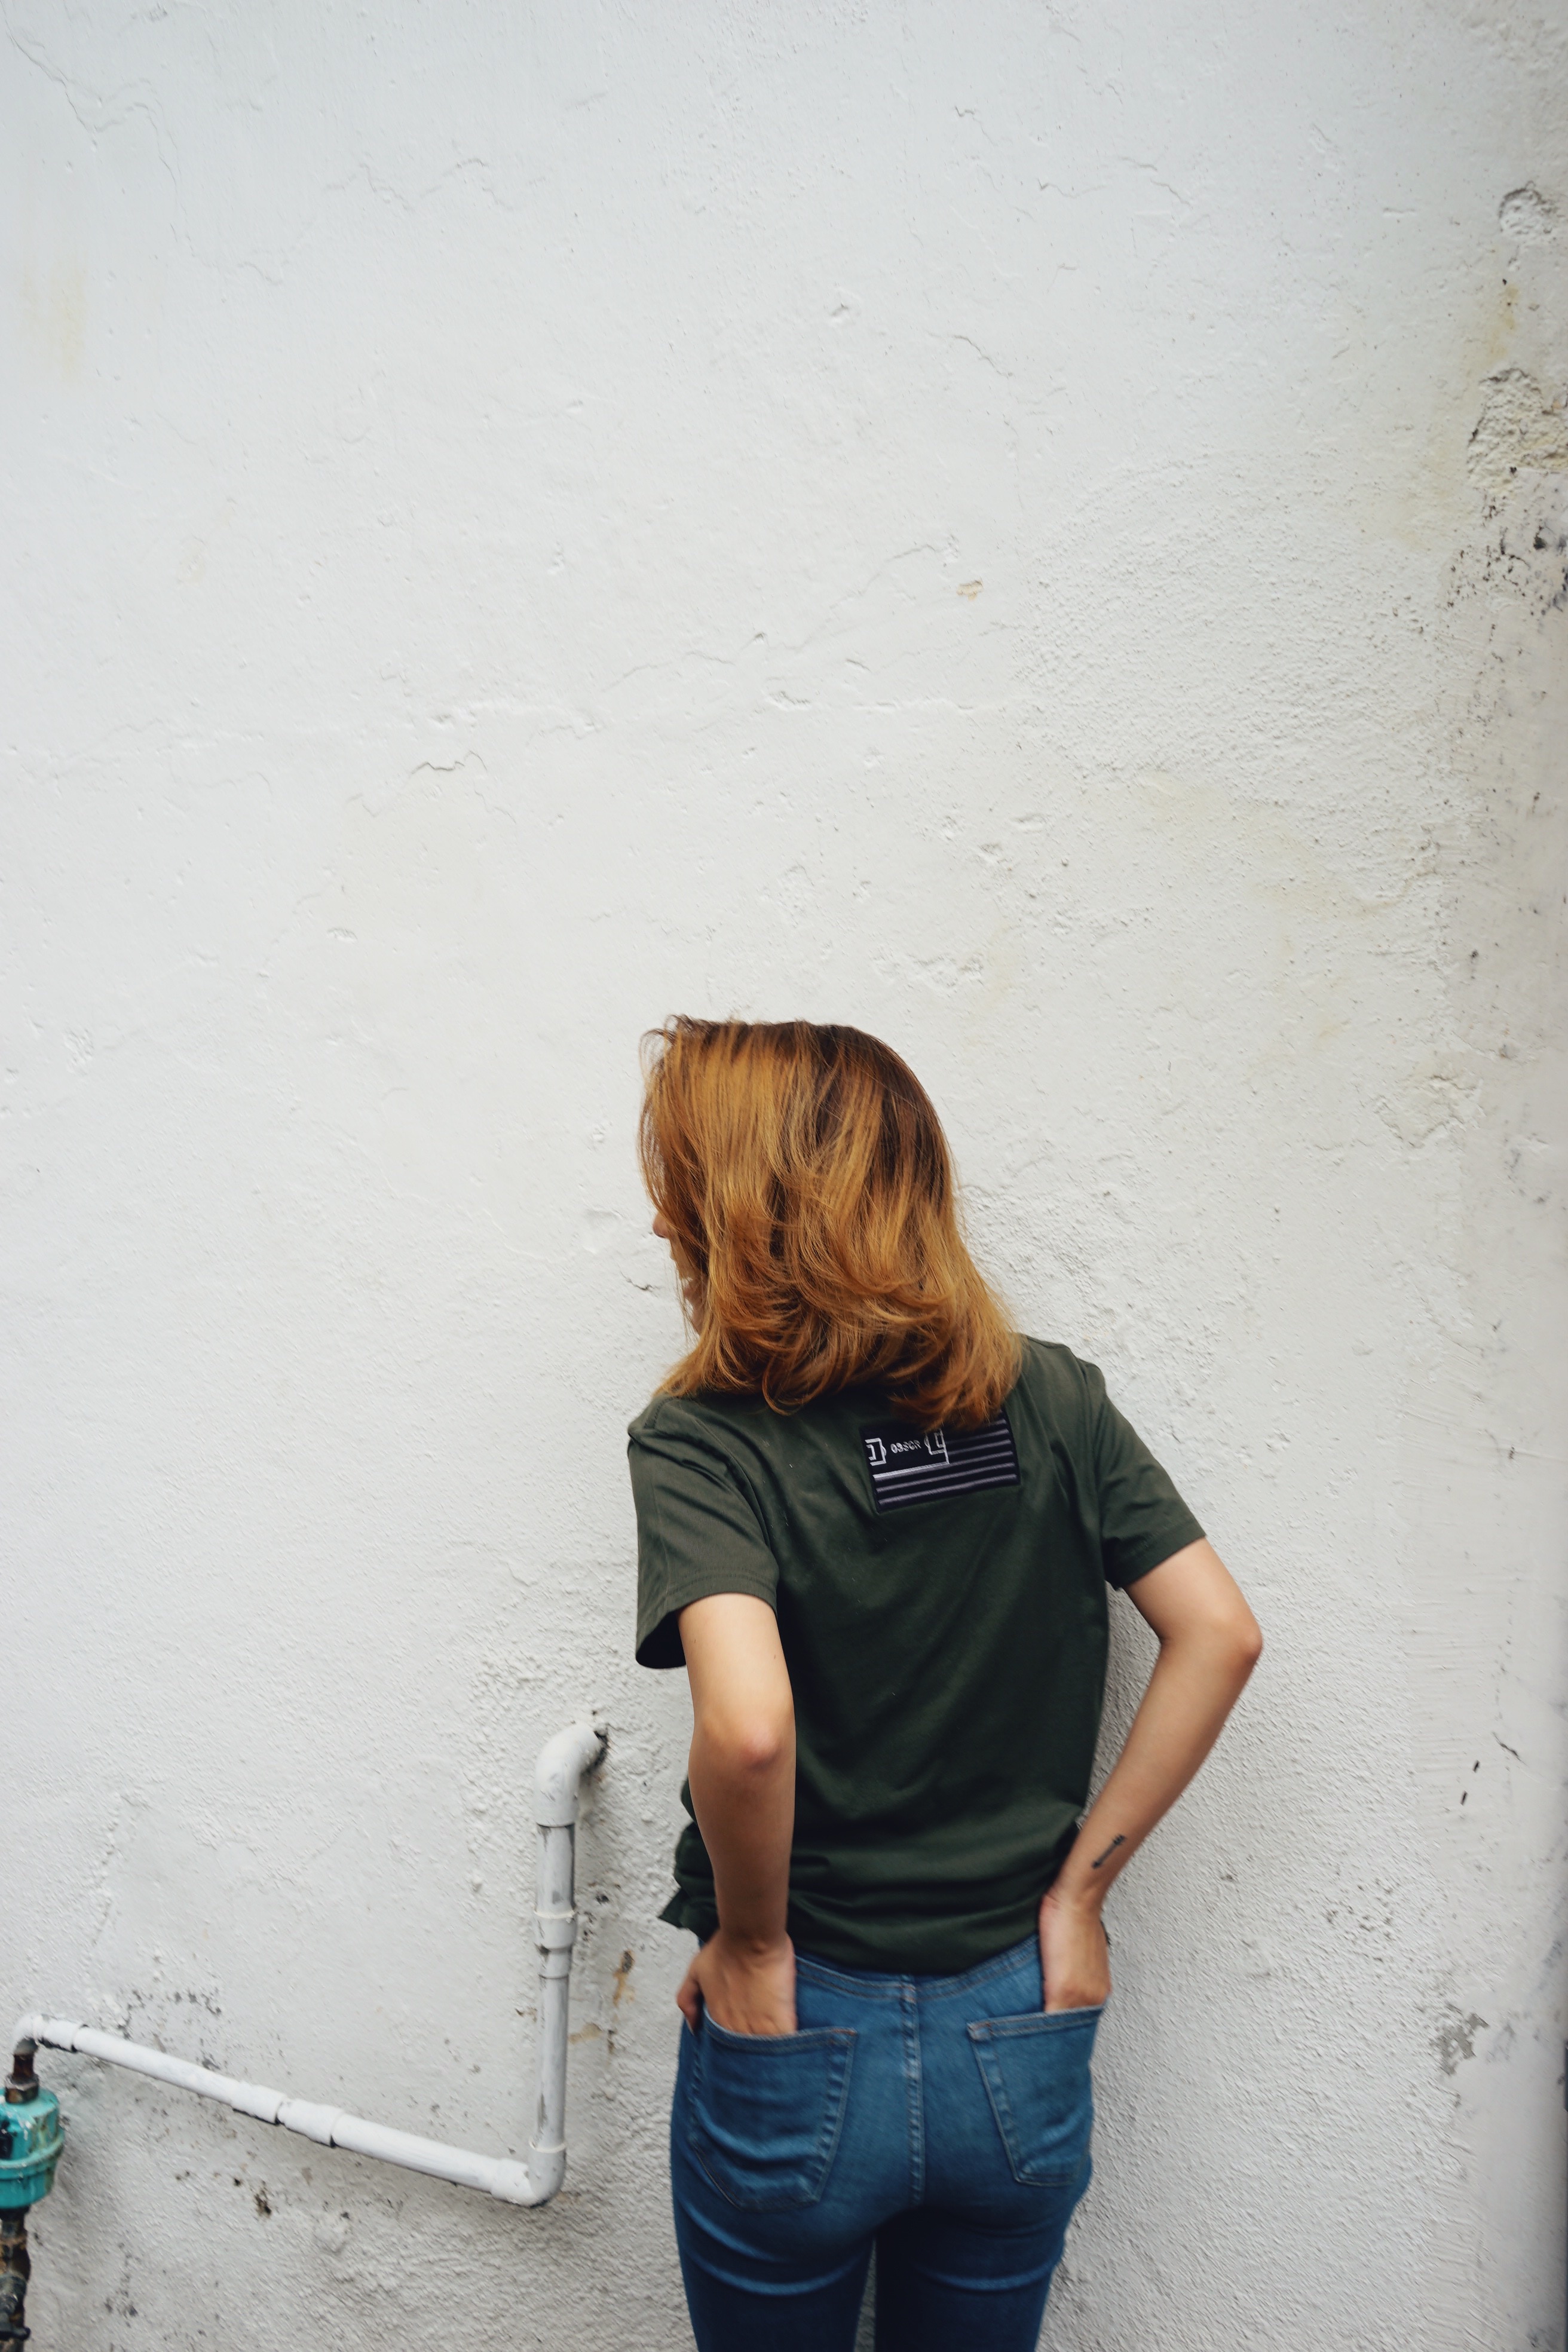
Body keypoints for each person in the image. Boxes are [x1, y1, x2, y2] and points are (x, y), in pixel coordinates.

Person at [627, 1019, 1261, 2352]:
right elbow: (1218, 1633)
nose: (661, 1220)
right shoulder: (1054, 1400)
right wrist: (1080, 1898)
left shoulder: (703, 1443)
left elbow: (748, 1731)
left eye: (678, 1184)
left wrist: (751, 1944)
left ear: (740, 1205)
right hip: (1019, 2018)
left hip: (799, 2021)